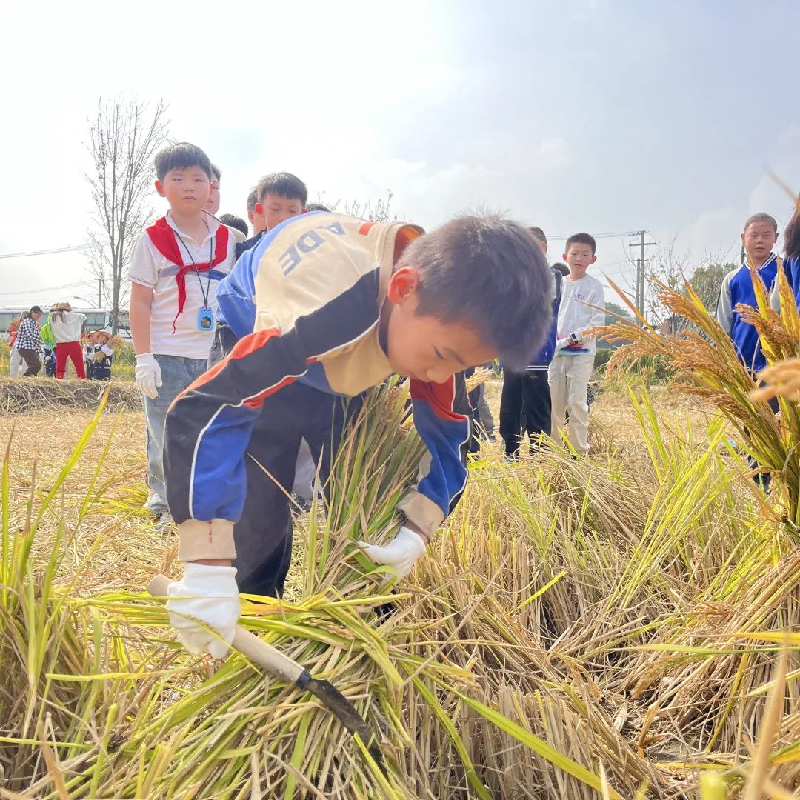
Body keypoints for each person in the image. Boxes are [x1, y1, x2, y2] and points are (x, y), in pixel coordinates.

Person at [162, 212, 553, 658]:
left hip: (360, 344)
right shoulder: (316, 310)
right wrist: (207, 566)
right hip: (265, 330)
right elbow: (202, 411)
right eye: (442, 356)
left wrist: (416, 532)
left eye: (459, 366)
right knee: (260, 497)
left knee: (365, 492)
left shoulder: (442, 315)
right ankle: (250, 621)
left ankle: (362, 630)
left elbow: (451, 437)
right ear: (403, 289)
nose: (437, 375)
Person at [129, 142, 236, 528]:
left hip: (214, 355)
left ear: (211, 186)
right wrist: (144, 358)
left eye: (197, 179)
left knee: (212, 428)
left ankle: (207, 498)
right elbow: (140, 301)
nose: (189, 186)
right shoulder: (151, 240)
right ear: (161, 188)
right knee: (165, 429)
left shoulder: (229, 240)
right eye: (178, 179)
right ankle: (165, 500)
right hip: (166, 354)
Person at [210, 172, 309, 367]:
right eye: (275, 209)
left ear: (303, 213)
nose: (283, 217)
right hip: (248, 342)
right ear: (260, 209)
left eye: (292, 210)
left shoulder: (311, 255)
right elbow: (229, 307)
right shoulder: (247, 257)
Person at [500, 227, 563, 458]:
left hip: (537, 351)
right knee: (511, 405)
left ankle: (540, 456)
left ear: (541, 248)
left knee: (537, 407)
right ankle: (510, 452)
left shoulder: (552, 276)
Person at [548, 233, 604, 457]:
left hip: (582, 353)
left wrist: (572, 338)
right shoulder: (558, 285)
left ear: (593, 259)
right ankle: (554, 452)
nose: (579, 258)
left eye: (585, 254)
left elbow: (597, 324)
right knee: (554, 403)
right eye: (575, 253)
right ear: (565, 256)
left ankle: (579, 453)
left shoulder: (594, 287)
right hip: (556, 354)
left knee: (577, 403)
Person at [717, 213, 788, 374]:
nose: (760, 240)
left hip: (780, 366)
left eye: (766, 235)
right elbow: (723, 325)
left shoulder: (785, 271)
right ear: (743, 238)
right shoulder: (732, 279)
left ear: (775, 237)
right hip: (741, 367)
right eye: (754, 235)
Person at [50, 302, 87, 379]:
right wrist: (82, 331)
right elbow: (84, 317)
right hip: (74, 343)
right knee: (79, 365)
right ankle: (82, 378)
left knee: (60, 367)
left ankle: (59, 379)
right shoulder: (75, 315)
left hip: (60, 344)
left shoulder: (53, 317)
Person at [13, 306, 44, 376]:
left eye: (40, 315)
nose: (39, 316)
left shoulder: (33, 322)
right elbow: (30, 334)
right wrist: (41, 342)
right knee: (36, 365)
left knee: (33, 365)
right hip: (25, 347)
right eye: (38, 314)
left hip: (29, 348)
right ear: (32, 312)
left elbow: (35, 335)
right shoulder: (27, 321)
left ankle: (30, 378)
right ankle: (27, 377)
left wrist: (40, 341)